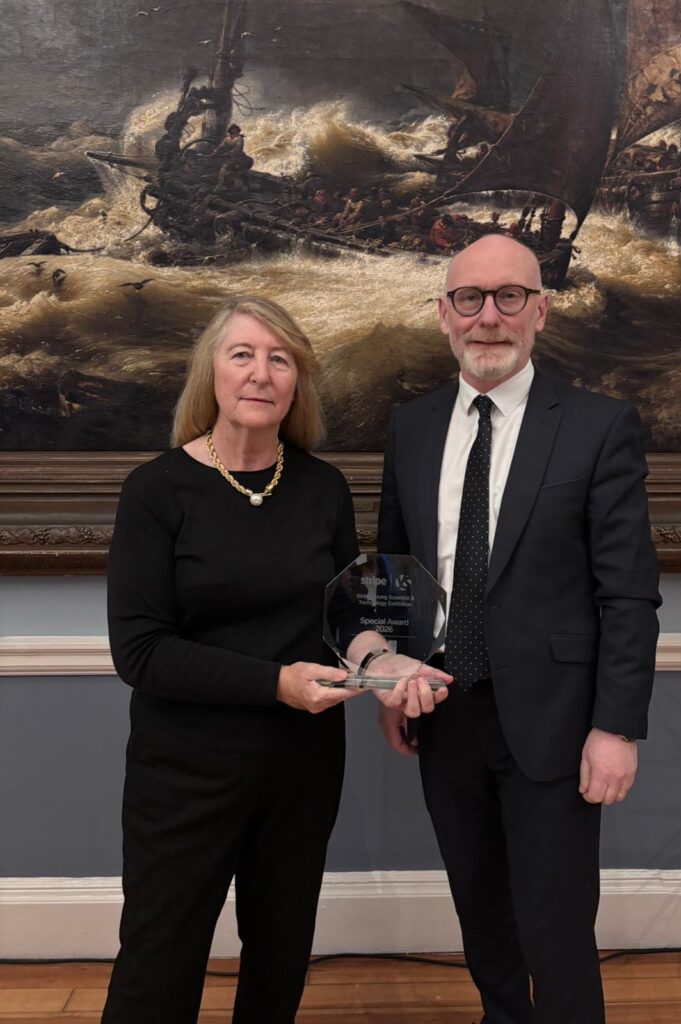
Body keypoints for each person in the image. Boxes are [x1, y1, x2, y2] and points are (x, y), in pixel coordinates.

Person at [102, 295, 443, 1024]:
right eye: (243, 354)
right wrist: (275, 684)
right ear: (212, 373)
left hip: (302, 766)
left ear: (297, 382)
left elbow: (342, 613)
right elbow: (140, 651)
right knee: (157, 969)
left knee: (280, 959)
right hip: (185, 769)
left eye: (279, 359)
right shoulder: (155, 491)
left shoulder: (322, 487)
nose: (261, 373)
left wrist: (380, 662)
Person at [377, 235, 660, 1024]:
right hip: (443, 714)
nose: (489, 317)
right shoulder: (410, 427)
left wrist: (616, 727)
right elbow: (395, 566)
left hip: (557, 724)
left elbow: (629, 594)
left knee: (556, 931)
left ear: (540, 311)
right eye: (470, 298)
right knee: (484, 920)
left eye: (510, 297)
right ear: (444, 314)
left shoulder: (598, 426)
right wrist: (389, 680)